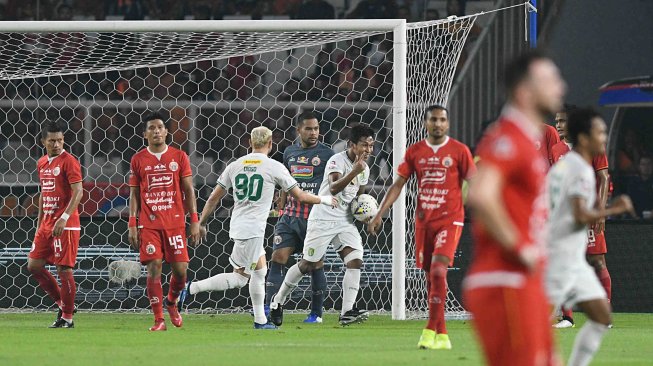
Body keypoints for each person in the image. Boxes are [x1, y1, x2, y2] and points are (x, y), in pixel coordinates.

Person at [463, 51, 566, 366]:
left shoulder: (529, 139)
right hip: (504, 279)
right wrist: (521, 246)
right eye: (550, 80)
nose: (561, 87)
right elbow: (480, 194)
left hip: (525, 280)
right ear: (524, 92)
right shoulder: (508, 137)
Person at [178, 126, 335, 329]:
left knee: (252, 274)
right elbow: (301, 197)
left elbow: (213, 198)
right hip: (252, 230)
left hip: (240, 226)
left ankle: (256, 317)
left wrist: (202, 222)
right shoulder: (274, 167)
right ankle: (255, 318)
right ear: (270, 144)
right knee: (245, 277)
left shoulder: (235, 165)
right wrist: (325, 199)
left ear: (250, 143)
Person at [368, 105, 475, 350]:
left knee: (438, 270)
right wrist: (379, 213)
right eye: (433, 120)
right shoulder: (415, 152)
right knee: (430, 276)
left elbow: (475, 182)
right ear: (426, 123)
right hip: (424, 223)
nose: (438, 124)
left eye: (442, 120)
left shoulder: (459, 151)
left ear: (447, 123)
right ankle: (443, 334)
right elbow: (398, 185)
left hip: (450, 220)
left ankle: (429, 330)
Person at [546, 107, 635, 366]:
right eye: (600, 132)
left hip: (573, 234)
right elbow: (575, 210)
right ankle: (564, 318)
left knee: (600, 315)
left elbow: (599, 182)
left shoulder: (585, 159)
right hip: (566, 233)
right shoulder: (568, 161)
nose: (604, 136)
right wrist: (613, 209)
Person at [269, 124, 375, 326]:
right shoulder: (337, 160)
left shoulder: (365, 169)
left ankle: (347, 312)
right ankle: (278, 300)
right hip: (323, 217)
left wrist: (365, 213)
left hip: (344, 220)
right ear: (352, 144)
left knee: (355, 260)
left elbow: (358, 197)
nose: (368, 150)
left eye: (371, 146)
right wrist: (353, 172)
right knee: (308, 264)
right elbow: (334, 188)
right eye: (364, 145)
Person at [128, 111, 201, 331]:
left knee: (181, 271)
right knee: (154, 267)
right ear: (145, 134)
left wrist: (195, 220)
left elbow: (189, 190)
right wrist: (132, 223)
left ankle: (171, 302)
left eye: (160, 127)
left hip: (175, 223)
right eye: (152, 128)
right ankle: (158, 319)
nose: (156, 131)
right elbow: (134, 194)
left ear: (167, 131)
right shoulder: (138, 159)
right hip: (149, 224)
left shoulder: (179, 157)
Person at [265, 112, 335, 324]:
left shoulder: (327, 154)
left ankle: (316, 314)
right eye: (308, 129)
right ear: (298, 130)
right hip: (290, 216)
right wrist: (282, 199)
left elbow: (333, 182)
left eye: (316, 129)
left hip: (314, 217)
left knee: (314, 263)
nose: (313, 133)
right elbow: (287, 179)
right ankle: (271, 307)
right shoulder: (289, 152)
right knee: (278, 258)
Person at [550, 105, 612, 328]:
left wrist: (601, 211)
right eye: (557, 121)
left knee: (597, 260)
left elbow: (603, 178)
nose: (559, 125)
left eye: (563, 121)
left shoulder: (592, 145)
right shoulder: (556, 149)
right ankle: (567, 317)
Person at [28, 121, 83, 328]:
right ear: (43, 142)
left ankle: (67, 318)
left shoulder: (69, 161)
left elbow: (78, 191)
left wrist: (64, 217)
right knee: (34, 265)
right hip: (46, 223)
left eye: (60, 140)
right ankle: (63, 303)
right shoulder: (42, 162)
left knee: (64, 269)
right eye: (52, 141)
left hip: (66, 224)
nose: (57, 144)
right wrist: (40, 222)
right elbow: (44, 193)